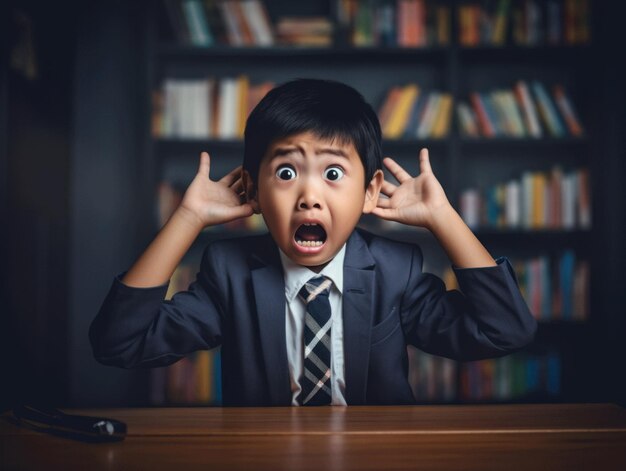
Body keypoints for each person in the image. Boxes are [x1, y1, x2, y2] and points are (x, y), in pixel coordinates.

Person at [90, 78, 537, 406]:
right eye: (286, 173)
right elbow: (118, 343)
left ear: (369, 190)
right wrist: (187, 219)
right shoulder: (229, 274)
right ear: (254, 191)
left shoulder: (395, 271)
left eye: (333, 173)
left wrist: (443, 218)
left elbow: (505, 331)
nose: (309, 196)